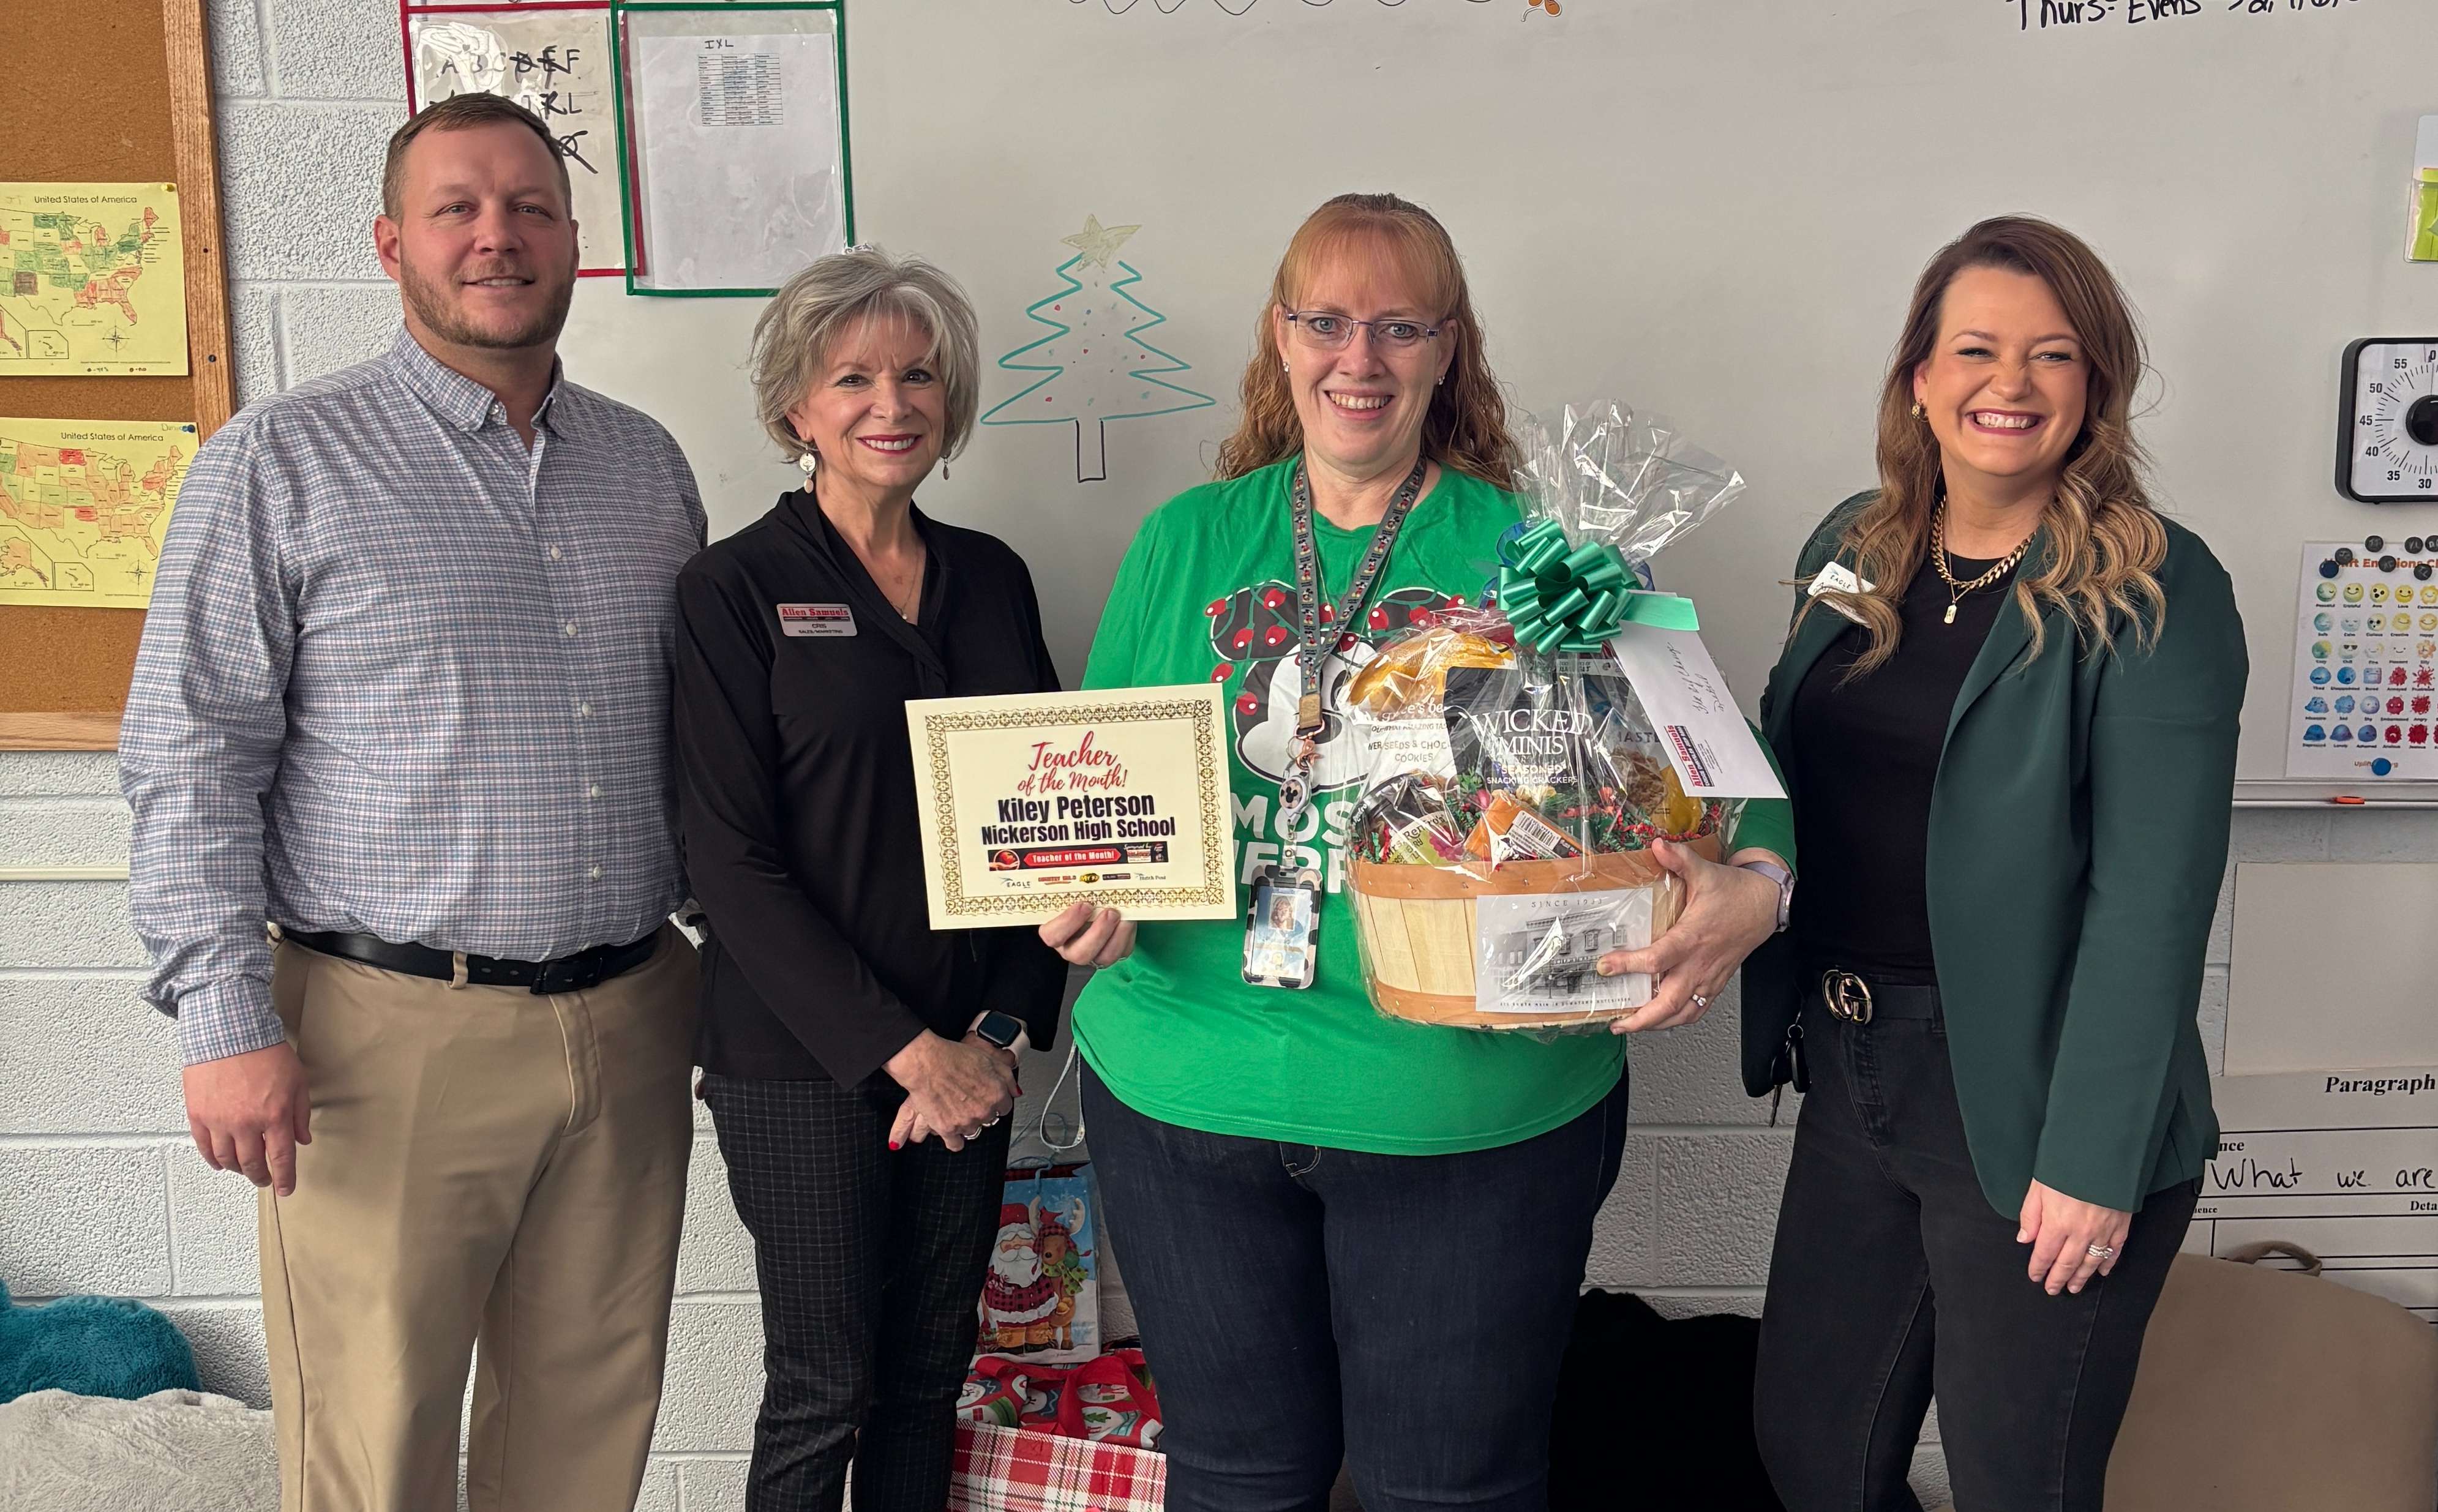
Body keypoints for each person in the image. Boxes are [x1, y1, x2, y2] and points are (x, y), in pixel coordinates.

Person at [1036, 193, 1795, 1512]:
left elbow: (1738, 792)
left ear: (1450, 348)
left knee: (1447, 1490)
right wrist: (1084, 889)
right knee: (1233, 1481)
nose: (1359, 357)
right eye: (1324, 321)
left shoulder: (1542, 553)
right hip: (1180, 1103)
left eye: (1399, 325)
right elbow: (1107, 796)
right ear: (1278, 339)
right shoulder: (1183, 541)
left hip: (1465, 1115)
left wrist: (1756, 888)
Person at [119, 94, 706, 1512]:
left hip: (630, 1021)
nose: (497, 235)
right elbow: (187, 750)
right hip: (381, 1038)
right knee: (373, 1439)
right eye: (458, 207)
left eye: (529, 208)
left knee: (588, 1422)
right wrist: (223, 1017)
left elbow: (705, 746)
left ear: (575, 246)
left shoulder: (648, 467)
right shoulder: (279, 461)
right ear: (392, 242)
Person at [1741, 215, 2247, 1512]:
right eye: (1974, 348)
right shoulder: (1850, 543)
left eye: (2051, 355)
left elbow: (2153, 895)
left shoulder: (2154, 587)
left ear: (2093, 388)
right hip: (1852, 1062)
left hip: (2034, 1087)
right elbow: (1777, 767)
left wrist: (2089, 1155)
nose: (2006, 384)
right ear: (1918, 375)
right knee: (1816, 1450)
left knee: (2016, 1479)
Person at [672, 246, 1069, 1512]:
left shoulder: (992, 577)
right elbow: (725, 862)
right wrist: (908, 1052)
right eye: (851, 377)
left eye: (917, 375)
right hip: (800, 1061)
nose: (890, 402)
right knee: (822, 1383)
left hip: (975, 1046)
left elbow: (1048, 816)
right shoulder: (732, 591)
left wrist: (999, 1027)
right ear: (796, 407)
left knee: (926, 1377)